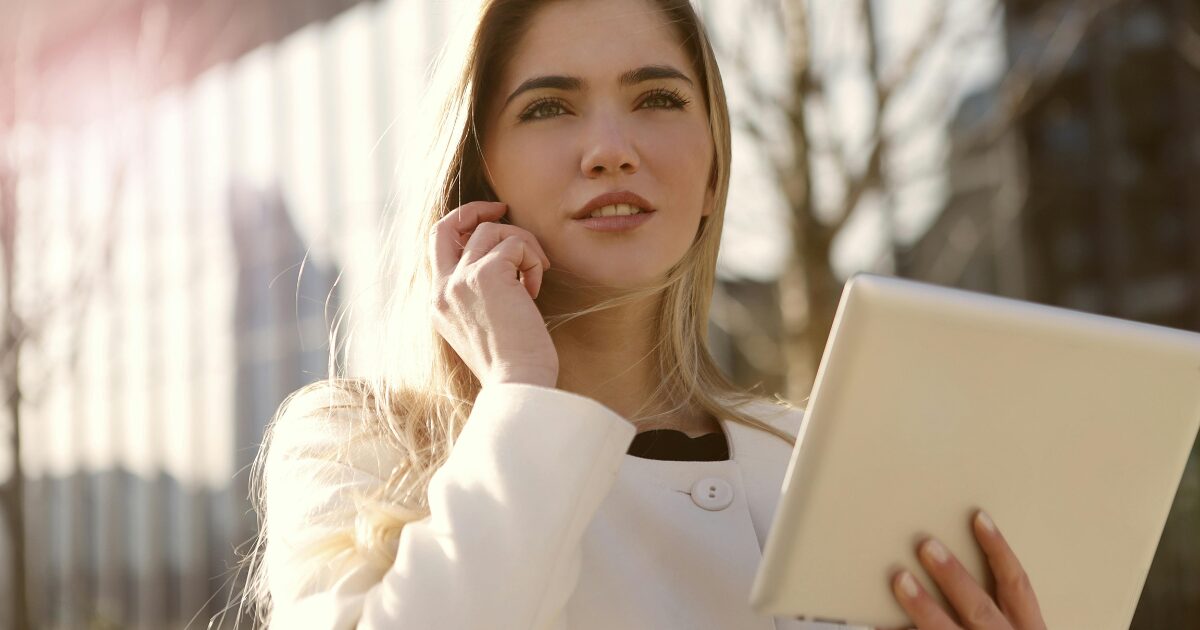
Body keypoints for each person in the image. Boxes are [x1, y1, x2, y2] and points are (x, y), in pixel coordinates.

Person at [242, 0, 1048, 628]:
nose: (610, 149)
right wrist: (523, 394)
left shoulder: (823, 463)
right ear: (476, 176)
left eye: (657, 97)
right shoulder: (355, 448)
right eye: (550, 107)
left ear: (711, 176)